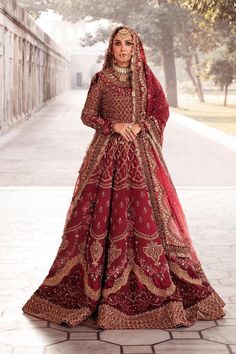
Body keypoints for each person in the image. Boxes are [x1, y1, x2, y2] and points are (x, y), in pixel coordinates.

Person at [22, 26, 225, 329]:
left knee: (149, 219)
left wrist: (142, 126)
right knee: (100, 218)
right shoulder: (101, 80)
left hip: (142, 157)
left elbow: (161, 111)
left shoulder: (146, 80)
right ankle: (99, 289)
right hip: (106, 157)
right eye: (118, 43)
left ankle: (157, 288)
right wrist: (113, 126)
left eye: (128, 43)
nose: (123, 49)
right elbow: (87, 115)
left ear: (136, 47)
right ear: (111, 48)